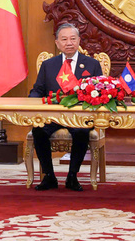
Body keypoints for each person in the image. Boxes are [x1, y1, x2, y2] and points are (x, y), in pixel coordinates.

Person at [28, 22, 102, 191]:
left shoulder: (91, 64)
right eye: (64, 39)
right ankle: (49, 176)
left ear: (79, 40)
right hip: (52, 116)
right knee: (38, 130)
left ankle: (72, 176)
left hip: (79, 116)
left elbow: (99, 91)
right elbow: (38, 90)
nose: (69, 43)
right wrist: (32, 102)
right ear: (57, 43)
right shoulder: (49, 65)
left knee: (82, 132)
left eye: (73, 39)